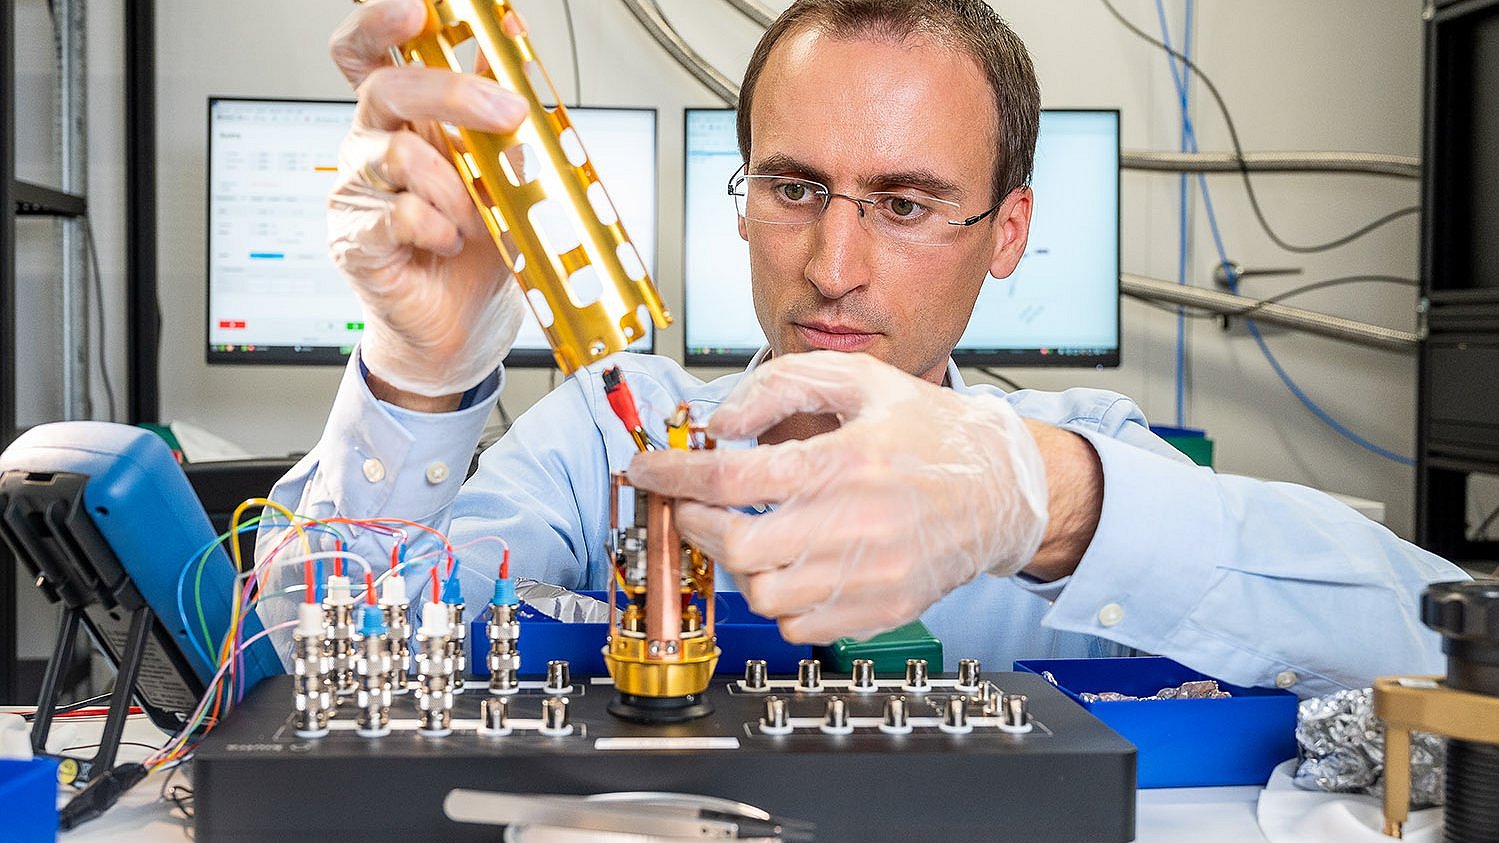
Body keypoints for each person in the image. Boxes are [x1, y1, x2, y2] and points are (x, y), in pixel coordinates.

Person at [259, 0, 1463, 698]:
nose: (833, 265)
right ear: (738, 199)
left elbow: (1444, 639)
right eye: (793, 187)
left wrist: (1049, 503)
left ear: (1007, 233)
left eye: (903, 203)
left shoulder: (1079, 469)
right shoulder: (607, 438)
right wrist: (417, 376)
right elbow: (288, 672)